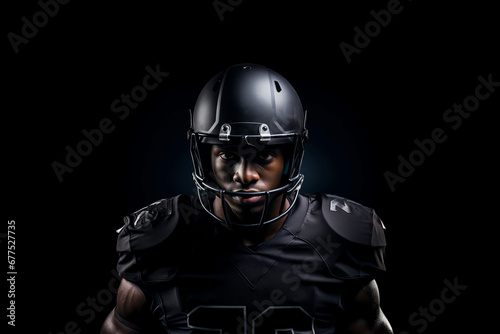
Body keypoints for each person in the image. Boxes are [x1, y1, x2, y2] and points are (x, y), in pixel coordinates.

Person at [101, 63, 393, 334]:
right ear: (204, 157)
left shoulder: (341, 239)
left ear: (290, 158)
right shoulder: (159, 241)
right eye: (228, 155)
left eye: (264, 155)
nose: (244, 175)